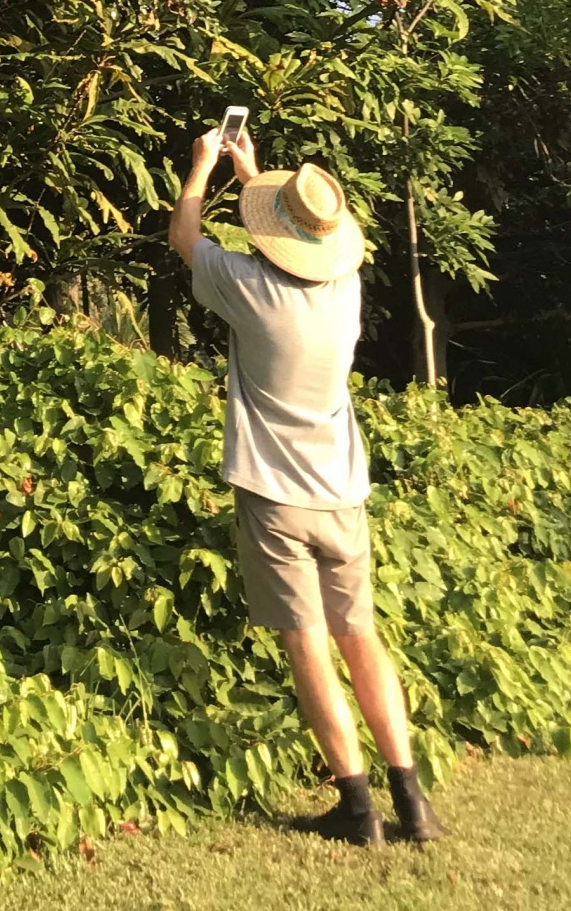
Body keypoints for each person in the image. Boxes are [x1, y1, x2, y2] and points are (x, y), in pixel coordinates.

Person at [168, 124, 445, 847]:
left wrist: (204, 167)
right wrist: (253, 173)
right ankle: (413, 804)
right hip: (342, 495)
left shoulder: (248, 289)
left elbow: (185, 235)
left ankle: (358, 811)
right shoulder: (345, 290)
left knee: (308, 646)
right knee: (363, 638)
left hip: (276, 498)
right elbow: (288, 247)